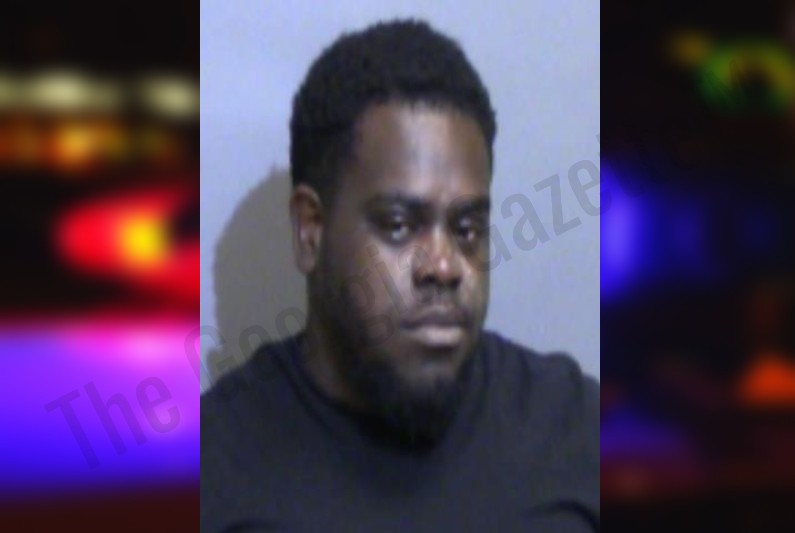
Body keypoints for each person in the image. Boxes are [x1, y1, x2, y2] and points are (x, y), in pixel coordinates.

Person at [201, 19, 599, 532]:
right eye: (398, 225)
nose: (444, 266)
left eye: (467, 228)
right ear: (310, 231)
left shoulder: (573, 430)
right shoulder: (214, 469)